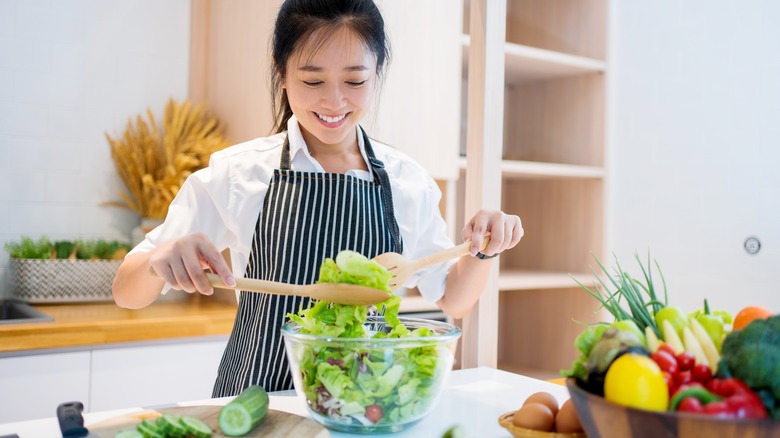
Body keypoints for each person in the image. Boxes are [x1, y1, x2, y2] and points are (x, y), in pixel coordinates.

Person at [112, 0, 523, 397]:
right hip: (261, 405)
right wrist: (160, 260)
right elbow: (126, 292)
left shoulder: (406, 181)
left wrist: (483, 249)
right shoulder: (240, 172)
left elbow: (453, 297)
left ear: (376, 73)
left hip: (367, 407)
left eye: (355, 80)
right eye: (312, 81)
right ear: (282, 74)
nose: (334, 101)